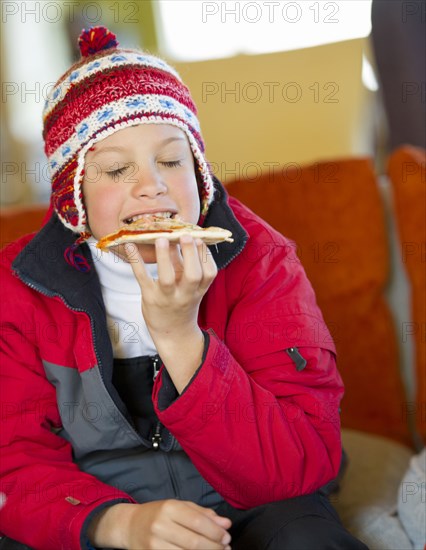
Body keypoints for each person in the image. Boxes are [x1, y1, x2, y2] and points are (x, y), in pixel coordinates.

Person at [0, 27, 369, 550]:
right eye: (115, 168)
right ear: (71, 200)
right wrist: (117, 524)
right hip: (100, 505)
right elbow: (15, 466)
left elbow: (300, 462)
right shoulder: (18, 287)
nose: (151, 184)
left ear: (199, 172)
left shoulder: (261, 261)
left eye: (172, 161)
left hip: (254, 496)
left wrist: (179, 337)